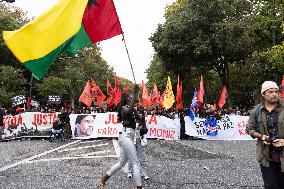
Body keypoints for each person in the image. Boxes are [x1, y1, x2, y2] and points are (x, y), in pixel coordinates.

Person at [97, 84, 143, 189]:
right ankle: (139, 187)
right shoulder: (123, 108)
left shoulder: (133, 109)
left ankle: (102, 180)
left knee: (122, 163)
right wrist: (135, 94)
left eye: (131, 96)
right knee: (135, 163)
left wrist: (142, 112)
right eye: (129, 97)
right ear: (126, 99)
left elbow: (140, 119)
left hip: (129, 137)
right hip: (125, 136)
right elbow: (128, 111)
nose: (131, 98)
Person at [246, 81, 284, 189]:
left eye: (276, 92)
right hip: (266, 156)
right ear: (263, 94)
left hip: (283, 155)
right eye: (270, 92)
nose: (274, 94)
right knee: (270, 185)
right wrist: (261, 137)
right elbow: (250, 129)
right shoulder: (256, 111)